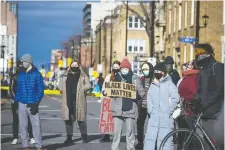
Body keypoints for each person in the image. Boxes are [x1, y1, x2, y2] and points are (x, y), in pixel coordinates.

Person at [193, 43, 224, 150]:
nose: (198, 55)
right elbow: (200, 89)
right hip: (204, 113)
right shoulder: (202, 70)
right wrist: (196, 100)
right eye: (197, 53)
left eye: (200, 53)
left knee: (217, 143)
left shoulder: (218, 67)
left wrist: (205, 105)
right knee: (206, 144)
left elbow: (219, 91)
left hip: (216, 114)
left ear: (208, 54)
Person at [110, 57, 145, 150]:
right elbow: (110, 89)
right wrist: (108, 92)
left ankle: (130, 148)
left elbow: (142, 92)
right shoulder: (115, 77)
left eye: (126, 69)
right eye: (122, 69)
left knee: (130, 133)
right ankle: (114, 148)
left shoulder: (135, 78)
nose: (124, 70)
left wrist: (136, 95)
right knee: (116, 133)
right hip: (118, 109)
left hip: (130, 109)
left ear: (129, 69)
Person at [144, 62, 179, 150]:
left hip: (166, 118)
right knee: (150, 140)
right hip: (153, 118)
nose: (157, 73)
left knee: (165, 142)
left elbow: (175, 98)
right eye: (155, 71)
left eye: (158, 71)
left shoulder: (169, 84)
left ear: (163, 72)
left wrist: (169, 111)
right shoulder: (153, 84)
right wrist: (151, 111)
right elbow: (149, 98)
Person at [14, 54, 44, 150]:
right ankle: (25, 146)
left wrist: (36, 102)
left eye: (24, 62)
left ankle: (39, 146)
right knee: (23, 126)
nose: (23, 63)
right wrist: (16, 101)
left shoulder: (37, 74)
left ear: (29, 62)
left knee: (36, 125)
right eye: (22, 62)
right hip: (21, 103)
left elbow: (40, 90)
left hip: (32, 103)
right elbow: (18, 89)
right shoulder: (21, 74)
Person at [59, 59, 91, 144]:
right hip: (68, 100)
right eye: (73, 65)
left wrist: (83, 89)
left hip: (79, 100)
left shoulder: (83, 75)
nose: (74, 66)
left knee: (81, 120)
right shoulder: (65, 75)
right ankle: (69, 137)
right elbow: (60, 86)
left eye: (76, 65)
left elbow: (88, 85)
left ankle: (84, 137)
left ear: (79, 66)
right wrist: (61, 88)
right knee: (68, 120)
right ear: (70, 65)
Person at [9, 61, 35, 145]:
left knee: (29, 119)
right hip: (16, 101)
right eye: (20, 66)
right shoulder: (14, 76)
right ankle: (15, 138)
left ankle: (31, 137)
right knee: (16, 119)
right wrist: (14, 98)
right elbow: (11, 88)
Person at [178, 60, 200, 150]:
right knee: (189, 135)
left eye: (191, 65)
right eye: (188, 65)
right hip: (187, 109)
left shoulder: (193, 77)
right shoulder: (189, 76)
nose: (188, 66)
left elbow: (195, 93)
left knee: (191, 135)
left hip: (190, 110)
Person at [100, 60, 121, 143]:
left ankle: (116, 135)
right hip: (108, 98)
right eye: (114, 67)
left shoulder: (121, 77)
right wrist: (103, 95)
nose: (115, 68)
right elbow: (104, 87)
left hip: (118, 99)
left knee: (117, 118)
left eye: (117, 67)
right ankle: (106, 135)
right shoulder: (109, 76)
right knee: (107, 117)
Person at [135, 61, 154, 149]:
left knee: (152, 126)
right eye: (143, 69)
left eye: (146, 69)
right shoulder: (141, 79)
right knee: (139, 124)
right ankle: (140, 142)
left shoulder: (154, 79)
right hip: (142, 106)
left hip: (151, 106)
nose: (145, 71)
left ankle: (151, 143)